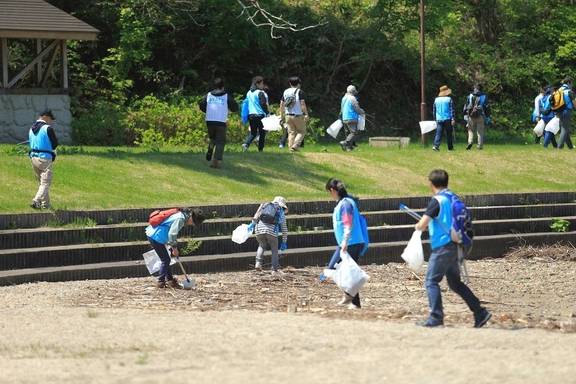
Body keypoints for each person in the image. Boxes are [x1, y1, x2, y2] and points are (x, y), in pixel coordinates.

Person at [414, 169, 491, 328]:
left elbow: (422, 225)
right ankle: (480, 312)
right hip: (456, 245)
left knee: (431, 281)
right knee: (455, 283)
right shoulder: (452, 197)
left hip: (443, 246)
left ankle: (436, 317)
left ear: (431, 183)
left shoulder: (437, 200)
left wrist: (418, 226)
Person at [325, 178, 366, 310]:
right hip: (347, 242)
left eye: (329, 192)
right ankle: (350, 297)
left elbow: (348, 224)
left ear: (332, 190)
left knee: (338, 269)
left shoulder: (346, 204)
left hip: (350, 242)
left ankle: (353, 300)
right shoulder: (344, 202)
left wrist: (345, 242)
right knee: (336, 268)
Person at [145, 208, 206, 288]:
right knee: (166, 259)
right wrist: (174, 248)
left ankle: (170, 280)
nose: (192, 224)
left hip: (157, 236)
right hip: (156, 237)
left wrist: (171, 245)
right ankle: (161, 282)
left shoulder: (182, 215)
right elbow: (172, 234)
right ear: (191, 217)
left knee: (166, 258)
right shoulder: (180, 219)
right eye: (194, 222)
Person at [198, 78, 239, 168]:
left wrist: (208, 111)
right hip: (220, 121)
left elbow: (201, 105)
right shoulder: (226, 96)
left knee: (213, 138)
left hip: (209, 121)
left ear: (214, 86)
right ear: (223, 87)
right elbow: (235, 107)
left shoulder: (208, 95)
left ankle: (210, 149)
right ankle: (215, 162)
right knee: (220, 141)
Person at [248, 196, 289, 274]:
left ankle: (258, 264)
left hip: (259, 229)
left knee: (261, 245)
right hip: (271, 232)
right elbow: (284, 230)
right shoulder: (281, 212)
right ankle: (274, 269)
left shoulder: (265, 205)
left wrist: (252, 224)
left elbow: (256, 215)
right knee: (274, 250)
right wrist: (284, 242)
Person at [28, 110, 59, 209]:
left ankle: (46, 205)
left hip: (33, 157)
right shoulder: (48, 128)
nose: (51, 121)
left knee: (42, 183)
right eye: (51, 119)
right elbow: (55, 144)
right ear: (45, 117)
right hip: (45, 158)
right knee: (45, 183)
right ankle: (36, 201)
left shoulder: (31, 129)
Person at [279, 76, 309, 152]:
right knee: (301, 131)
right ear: (299, 83)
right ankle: (295, 145)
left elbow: (282, 104)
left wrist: (282, 115)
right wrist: (306, 114)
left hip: (288, 115)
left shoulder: (285, 91)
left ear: (290, 83)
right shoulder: (299, 91)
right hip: (298, 115)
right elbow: (302, 104)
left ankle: (290, 149)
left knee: (291, 133)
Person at [242, 76, 270, 152]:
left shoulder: (249, 92)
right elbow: (263, 104)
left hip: (251, 115)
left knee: (253, 132)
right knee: (262, 132)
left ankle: (246, 144)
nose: (263, 85)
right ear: (257, 84)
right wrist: (267, 113)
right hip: (260, 115)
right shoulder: (260, 93)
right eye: (262, 83)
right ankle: (260, 149)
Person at [463, 84, 490, 150]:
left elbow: (466, 106)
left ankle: (470, 142)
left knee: (470, 130)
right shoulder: (484, 96)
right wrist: (488, 116)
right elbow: (487, 107)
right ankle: (479, 146)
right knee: (480, 132)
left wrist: (465, 115)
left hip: (471, 115)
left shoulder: (469, 96)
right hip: (480, 115)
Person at [339, 85, 365, 151]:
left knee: (348, 134)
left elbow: (342, 108)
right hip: (351, 118)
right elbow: (357, 108)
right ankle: (345, 143)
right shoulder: (352, 98)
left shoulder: (344, 98)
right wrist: (362, 111)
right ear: (353, 91)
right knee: (354, 133)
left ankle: (348, 148)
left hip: (344, 118)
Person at [432, 85, 455, 151]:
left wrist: (435, 119)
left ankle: (436, 146)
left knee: (438, 133)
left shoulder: (436, 100)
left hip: (439, 119)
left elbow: (434, 110)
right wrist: (453, 118)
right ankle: (450, 148)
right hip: (447, 118)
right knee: (449, 134)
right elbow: (452, 110)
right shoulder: (449, 99)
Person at [556, 77, 575, 150]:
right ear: (568, 83)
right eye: (571, 83)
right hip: (566, 111)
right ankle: (559, 147)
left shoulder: (559, 90)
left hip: (559, 111)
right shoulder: (569, 91)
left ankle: (570, 146)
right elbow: (574, 102)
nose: (572, 85)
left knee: (563, 128)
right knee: (564, 129)